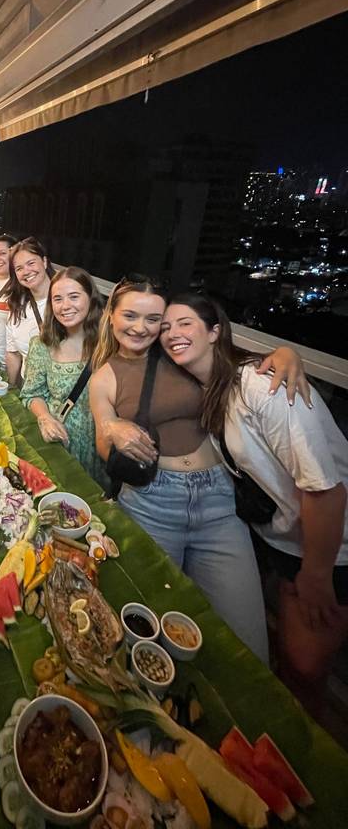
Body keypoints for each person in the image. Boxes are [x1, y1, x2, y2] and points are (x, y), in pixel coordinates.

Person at [89, 276, 307, 661]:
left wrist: (286, 352)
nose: (140, 327)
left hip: (219, 504)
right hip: (151, 502)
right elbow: (103, 444)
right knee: (155, 626)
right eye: (130, 315)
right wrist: (113, 428)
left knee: (246, 638)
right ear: (111, 316)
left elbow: (234, 364)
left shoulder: (180, 354)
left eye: (153, 319)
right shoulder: (105, 374)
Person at [161, 293, 348, 715]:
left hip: (330, 547)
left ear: (214, 332)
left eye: (185, 323)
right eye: (166, 328)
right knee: (284, 649)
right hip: (281, 539)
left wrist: (316, 577)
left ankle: (299, 758)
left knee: (304, 667)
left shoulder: (263, 387)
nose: (172, 334)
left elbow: (326, 491)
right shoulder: (211, 386)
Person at [21, 267, 110, 490]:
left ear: (91, 298)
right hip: (58, 443)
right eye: (57, 299)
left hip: (100, 449)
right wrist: (44, 418)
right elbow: (32, 393)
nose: (65, 306)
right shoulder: (42, 345)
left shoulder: (110, 345)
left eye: (74, 296)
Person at [5, 237, 52, 385]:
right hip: (29, 388)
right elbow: (13, 353)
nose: (26, 271)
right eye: (19, 268)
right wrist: (11, 388)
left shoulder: (66, 304)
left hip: (61, 392)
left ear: (44, 262)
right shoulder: (17, 307)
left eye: (31, 263)